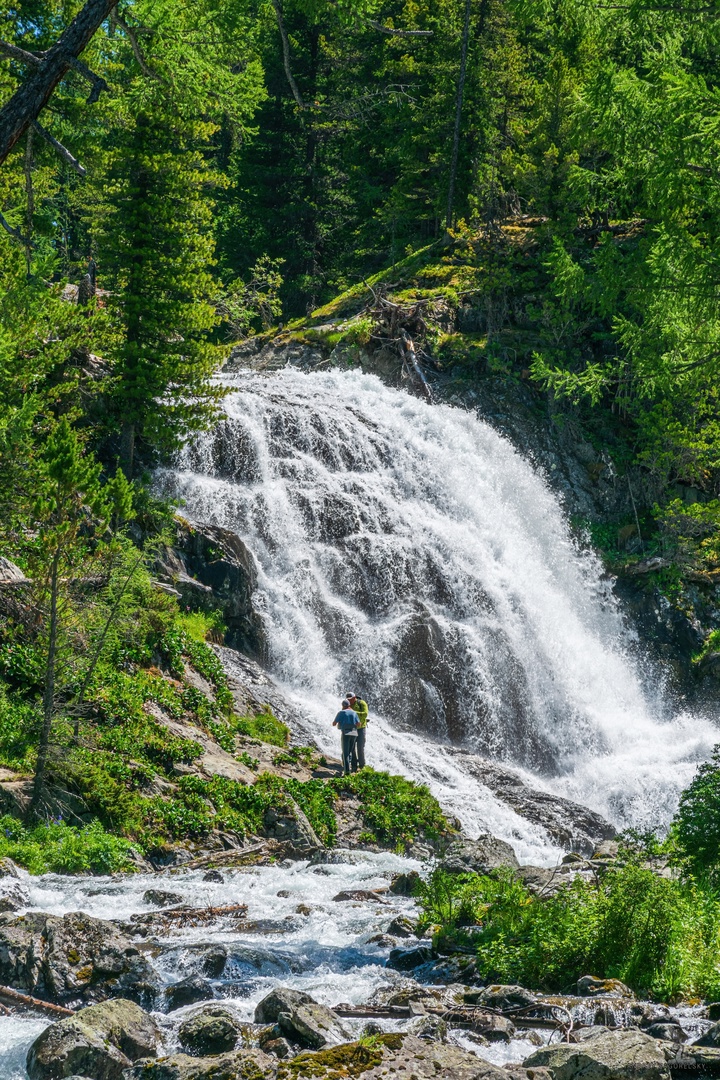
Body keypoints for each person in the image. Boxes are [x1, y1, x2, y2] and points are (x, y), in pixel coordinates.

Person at [333, 698, 359, 776]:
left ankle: (347, 771)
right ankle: (350, 768)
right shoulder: (354, 713)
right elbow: (358, 724)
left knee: (345, 753)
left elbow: (334, 723)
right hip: (354, 733)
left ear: (342, 705)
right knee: (350, 751)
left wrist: (340, 723)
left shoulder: (341, 713)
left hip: (346, 733)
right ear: (349, 705)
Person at [346, 692, 368, 769]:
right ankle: (354, 765)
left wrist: (353, 712)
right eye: (348, 699)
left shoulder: (361, 703)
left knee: (360, 747)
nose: (350, 700)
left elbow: (365, 714)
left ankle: (362, 765)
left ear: (354, 697)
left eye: (351, 699)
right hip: (352, 728)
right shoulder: (347, 705)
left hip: (361, 728)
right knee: (351, 747)